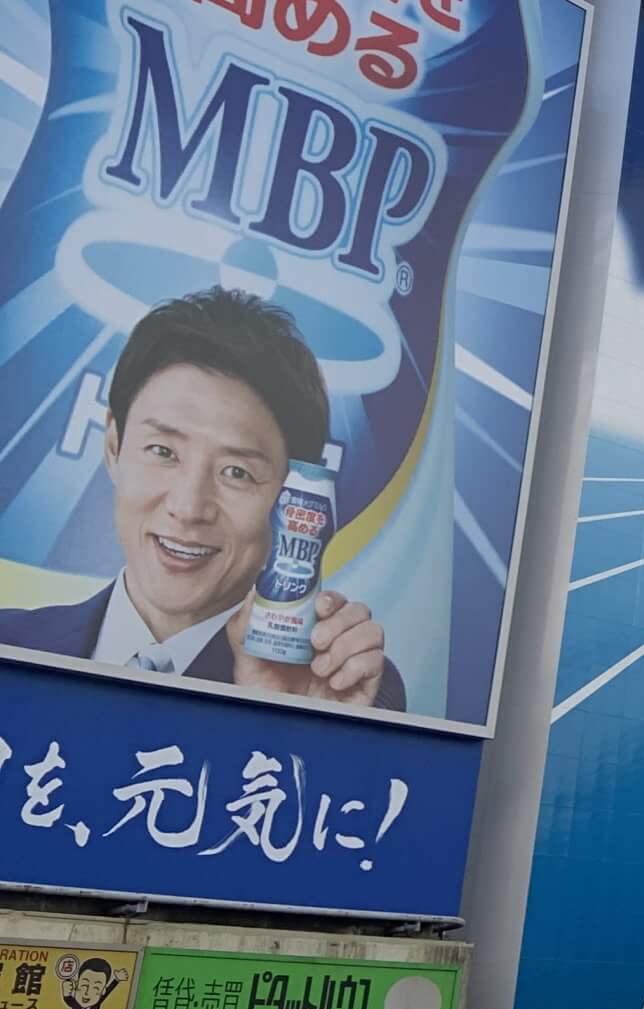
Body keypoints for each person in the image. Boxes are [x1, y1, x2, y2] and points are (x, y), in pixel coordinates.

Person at [0, 288, 402, 709]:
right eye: (163, 451)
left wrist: (285, 720)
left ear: (291, 496)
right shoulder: (11, 647)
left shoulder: (342, 685)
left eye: (237, 472)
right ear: (114, 447)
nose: (189, 508)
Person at [56, 957, 125, 1009]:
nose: (87, 992)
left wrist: (116, 980)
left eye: (96, 988)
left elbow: (109, 990)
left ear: (103, 991)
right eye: (84, 985)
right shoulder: (75, 1003)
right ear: (77, 983)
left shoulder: (97, 1002)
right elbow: (68, 1000)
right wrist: (66, 993)